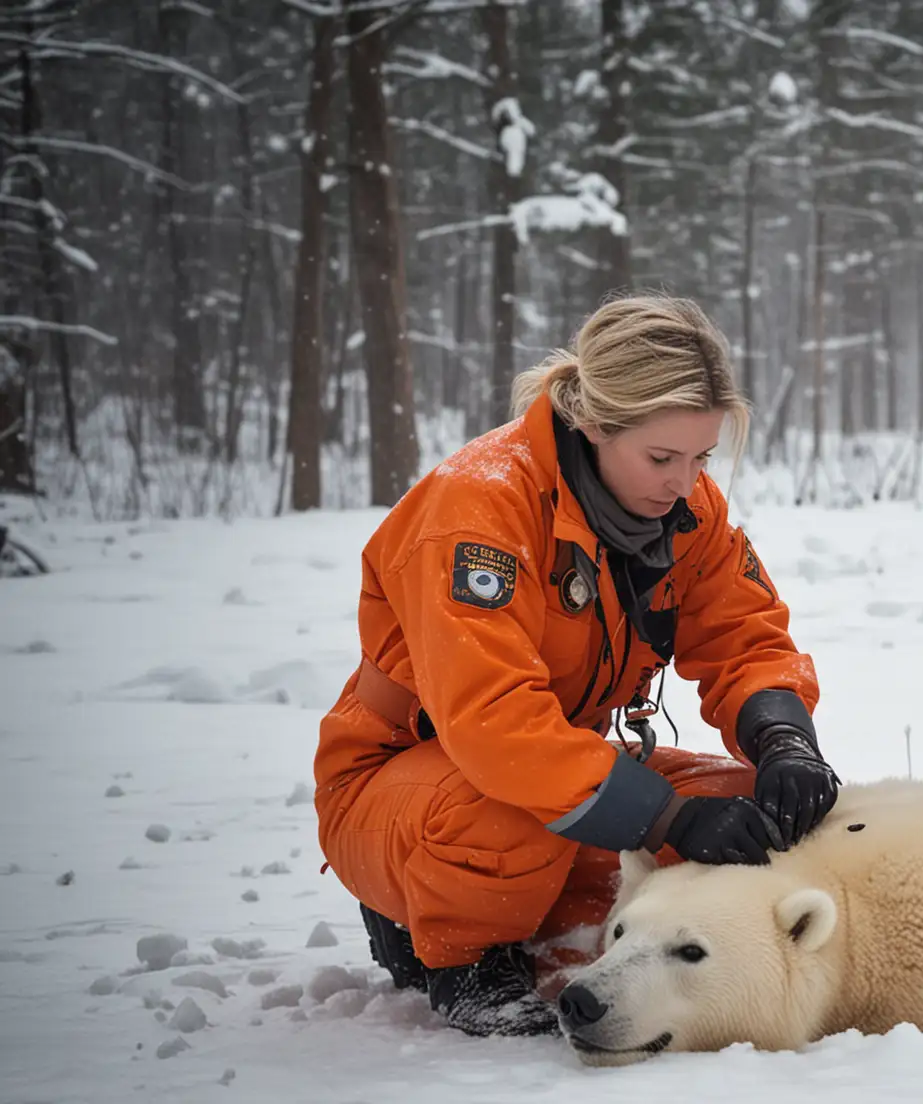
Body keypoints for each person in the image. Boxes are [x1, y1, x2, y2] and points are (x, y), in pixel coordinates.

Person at [314, 296, 839, 1037]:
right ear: (592, 423)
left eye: (701, 458)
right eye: (662, 458)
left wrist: (783, 737)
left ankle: (542, 916)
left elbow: (745, 637)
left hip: (558, 763)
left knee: (755, 812)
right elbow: (494, 725)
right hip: (412, 781)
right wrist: (667, 815)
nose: (686, 484)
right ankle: (455, 951)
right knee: (511, 814)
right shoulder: (480, 509)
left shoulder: (686, 510)